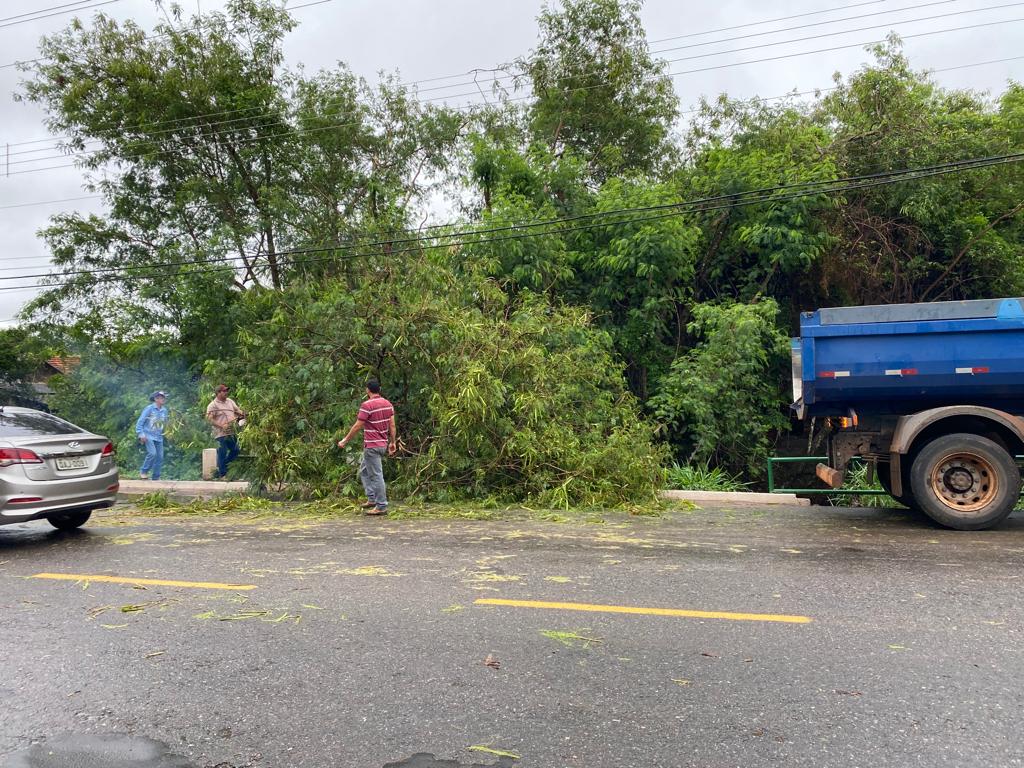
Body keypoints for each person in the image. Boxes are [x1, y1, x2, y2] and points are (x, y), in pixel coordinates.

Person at [336, 378, 397, 515]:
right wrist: (392, 443)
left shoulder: (367, 405)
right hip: (382, 444)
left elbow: (358, 425)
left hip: (372, 446)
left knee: (376, 475)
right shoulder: (388, 404)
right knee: (364, 470)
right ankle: (372, 499)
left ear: (367, 390)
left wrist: (345, 440)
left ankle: (381, 506)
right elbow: (392, 425)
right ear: (379, 389)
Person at [205, 384, 246, 480]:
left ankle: (225, 468)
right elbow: (209, 419)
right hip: (219, 433)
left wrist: (243, 414)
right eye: (224, 391)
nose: (226, 393)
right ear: (218, 393)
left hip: (231, 432)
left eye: (226, 391)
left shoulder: (230, 401)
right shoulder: (213, 405)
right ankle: (222, 474)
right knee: (222, 452)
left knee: (236, 450)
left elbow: (237, 410)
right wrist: (221, 425)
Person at [136, 391, 169, 480]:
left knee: (160, 457)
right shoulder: (149, 409)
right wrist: (140, 434)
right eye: (161, 398)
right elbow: (140, 421)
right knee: (152, 453)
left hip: (159, 436)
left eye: (163, 398)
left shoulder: (164, 410)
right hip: (148, 435)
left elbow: (165, 423)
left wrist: (169, 432)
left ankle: (156, 477)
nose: (163, 399)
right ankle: (144, 471)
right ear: (156, 399)